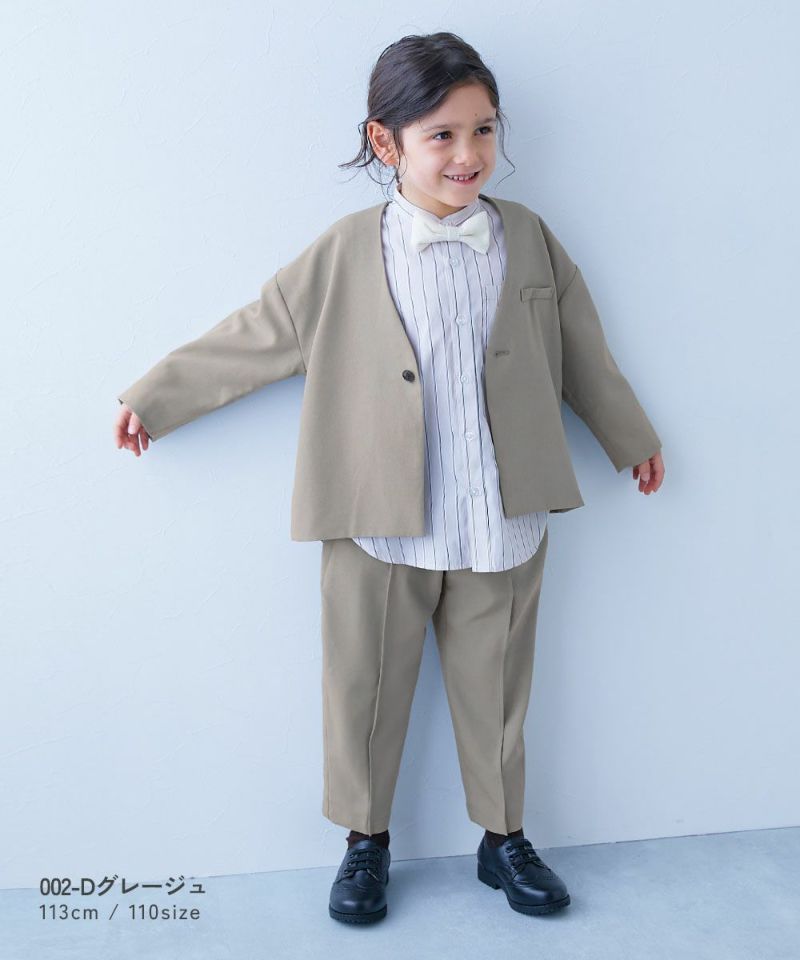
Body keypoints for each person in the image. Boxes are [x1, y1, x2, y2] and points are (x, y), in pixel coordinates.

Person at [114, 31, 665, 925]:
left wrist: (627, 437)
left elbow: (582, 352)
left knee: (498, 692)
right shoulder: (345, 251)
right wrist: (156, 397)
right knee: (363, 690)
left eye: (483, 129)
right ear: (387, 142)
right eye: (441, 134)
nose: (468, 154)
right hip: (377, 518)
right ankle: (363, 842)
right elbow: (257, 333)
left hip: (499, 512)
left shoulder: (527, 238)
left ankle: (502, 838)